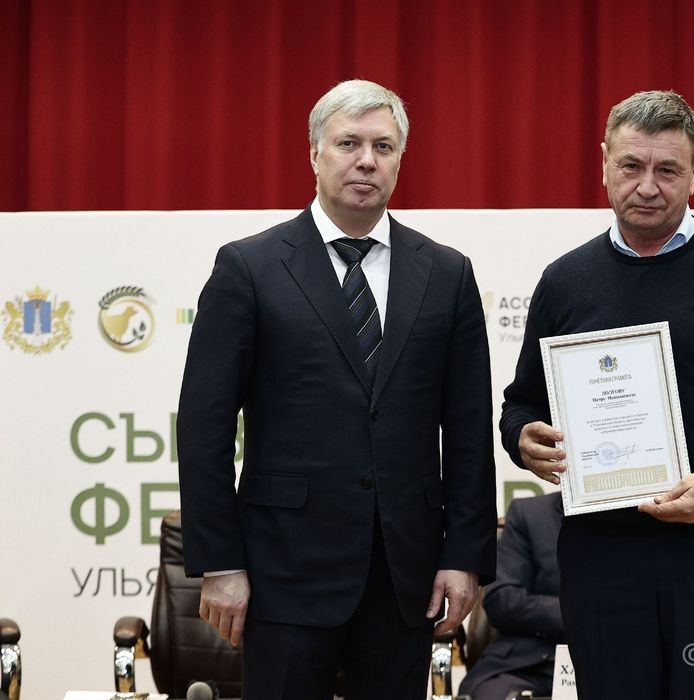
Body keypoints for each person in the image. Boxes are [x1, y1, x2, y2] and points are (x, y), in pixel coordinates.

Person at [176, 79, 496, 700]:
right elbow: (203, 426)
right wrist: (219, 562)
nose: (366, 160)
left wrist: (464, 556)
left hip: (405, 576)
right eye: (349, 143)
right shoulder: (249, 267)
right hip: (282, 572)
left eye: (383, 146)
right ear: (314, 154)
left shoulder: (447, 273)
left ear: (400, 159)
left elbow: (467, 431)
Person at [499, 90, 694, 700]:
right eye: (631, 166)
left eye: (667, 169)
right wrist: (523, 438)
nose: (647, 186)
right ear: (604, 163)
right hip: (601, 558)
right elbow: (522, 403)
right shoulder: (564, 281)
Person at [458, 492, 565, 700]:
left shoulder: (632, 517)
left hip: (616, 661)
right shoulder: (530, 514)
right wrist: (578, 614)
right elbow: (502, 599)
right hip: (529, 663)